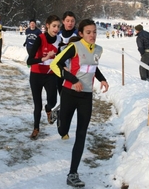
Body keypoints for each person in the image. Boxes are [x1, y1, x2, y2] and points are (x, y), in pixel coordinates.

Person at [50, 19, 109, 188]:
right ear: (81, 34)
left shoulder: (98, 49)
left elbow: (93, 66)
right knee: (63, 130)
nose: (93, 35)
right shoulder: (74, 47)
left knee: (81, 133)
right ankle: (59, 115)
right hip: (69, 93)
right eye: (89, 32)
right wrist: (73, 79)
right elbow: (56, 64)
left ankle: (73, 173)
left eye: (95, 32)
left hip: (86, 96)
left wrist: (102, 79)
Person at [26, 15, 61, 140]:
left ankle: (48, 109)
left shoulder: (58, 40)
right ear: (47, 26)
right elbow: (29, 60)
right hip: (36, 75)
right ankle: (36, 128)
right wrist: (44, 58)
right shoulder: (40, 38)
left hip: (50, 75)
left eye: (58, 26)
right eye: (54, 26)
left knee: (53, 101)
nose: (56, 29)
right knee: (37, 105)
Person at [57, 11, 78, 94]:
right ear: (63, 21)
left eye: (72, 21)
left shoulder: (78, 35)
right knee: (60, 90)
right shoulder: (58, 34)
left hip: (73, 68)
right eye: (68, 21)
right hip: (60, 67)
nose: (70, 23)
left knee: (71, 91)